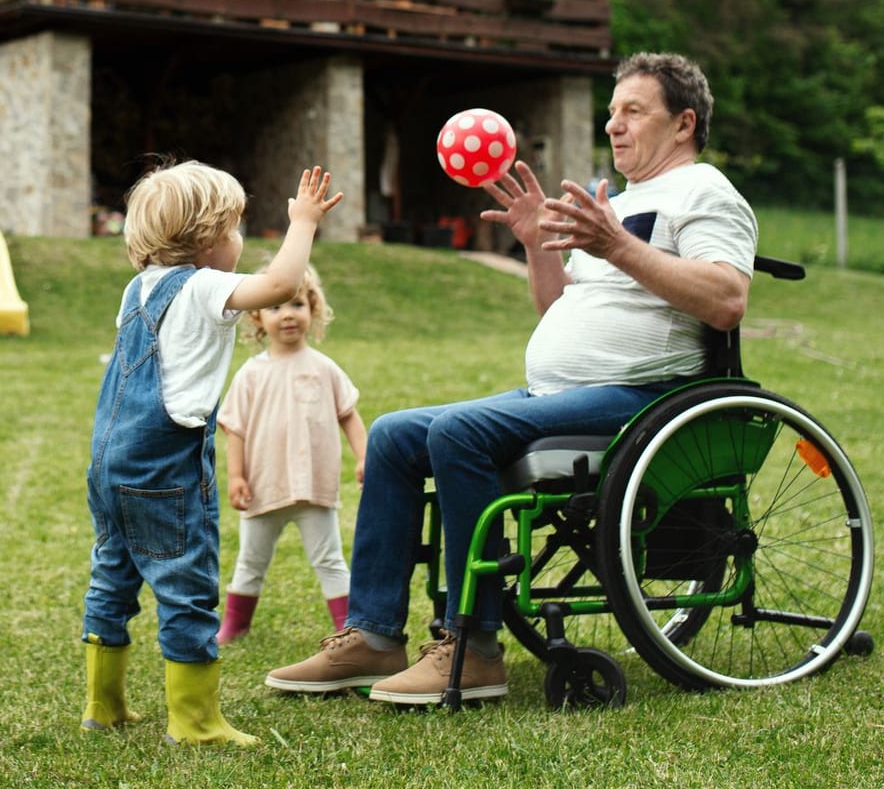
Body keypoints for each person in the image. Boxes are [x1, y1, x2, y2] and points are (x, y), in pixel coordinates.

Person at [264, 52, 757, 707]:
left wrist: (617, 247)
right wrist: (534, 243)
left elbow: (726, 298)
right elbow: (560, 310)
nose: (613, 126)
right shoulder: (622, 202)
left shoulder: (707, 193)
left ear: (685, 123)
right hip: (560, 395)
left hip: (643, 400)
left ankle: (473, 647)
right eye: (611, 113)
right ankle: (374, 634)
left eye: (633, 111)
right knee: (392, 435)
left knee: (463, 433)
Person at [81, 161, 344, 746]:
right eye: (235, 229)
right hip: (165, 465)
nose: (240, 241)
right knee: (187, 584)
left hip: (110, 463)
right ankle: (195, 721)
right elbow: (278, 286)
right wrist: (302, 222)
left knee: (113, 576)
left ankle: (104, 704)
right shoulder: (202, 286)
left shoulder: (138, 288)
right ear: (206, 239)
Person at [214, 261, 368, 645]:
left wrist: (366, 457)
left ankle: (348, 629)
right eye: (276, 306)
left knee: (330, 560)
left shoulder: (324, 368)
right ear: (256, 318)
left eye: (297, 304)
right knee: (250, 561)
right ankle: (235, 624)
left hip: (314, 488)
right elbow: (235, 428)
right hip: (264, 487)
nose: (287, 315)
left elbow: (348, 415)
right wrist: (236, 477)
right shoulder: (250, 373)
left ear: (312, 309)